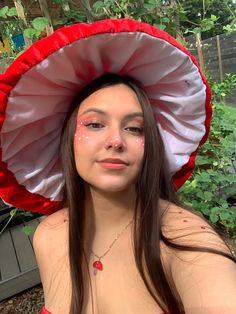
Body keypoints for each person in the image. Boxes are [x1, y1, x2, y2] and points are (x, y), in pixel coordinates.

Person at [0, 19, 235, 314]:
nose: (116, 141)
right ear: (67, 139)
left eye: (135, 128)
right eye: (95, 124)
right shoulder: (49, 236)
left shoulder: (187, 243)